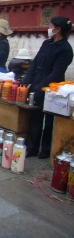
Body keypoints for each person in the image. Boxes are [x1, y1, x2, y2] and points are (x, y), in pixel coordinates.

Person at [22, 17, 73, 159]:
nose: (49, 28)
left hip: (52, 89)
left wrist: (41, 85)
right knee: (35, 118)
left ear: (58, 29)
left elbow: (57, 72)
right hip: (37, 86)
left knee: (49, 121)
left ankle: (45, 150)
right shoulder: (46, 43)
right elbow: (35, 63)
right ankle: (32, 148)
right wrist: (27, 80)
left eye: (51, 26)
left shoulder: (66, 49)